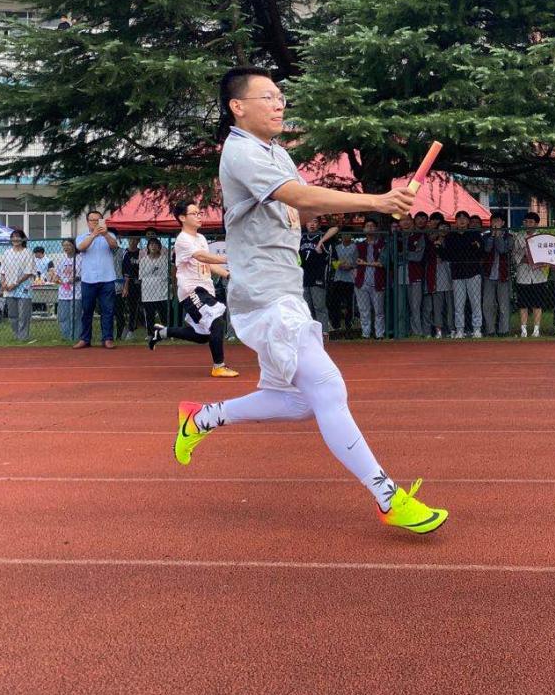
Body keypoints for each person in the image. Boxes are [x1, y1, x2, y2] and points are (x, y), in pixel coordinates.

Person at [172, 67, 445, 534]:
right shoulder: (240, 152)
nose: (279, 104)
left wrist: (374, 204)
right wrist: (379, 202)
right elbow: (295, 194)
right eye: (267, 97)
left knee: (297, 401)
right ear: (238, 108)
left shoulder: (274, 152)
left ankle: (203, 417)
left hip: (282, 293)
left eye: (281, 97)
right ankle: (387, 496)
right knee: (328, 387)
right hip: (263, 296)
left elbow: (305, 205)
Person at [150, 200, 238, 377]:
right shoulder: (183, 240)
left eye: (200, 213)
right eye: (194, 213)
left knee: (202, 335)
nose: (199, 216)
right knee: (217, 321)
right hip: (192, 290)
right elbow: (200, 255)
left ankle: (162, 332)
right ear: (182, 218)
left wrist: (228, 275)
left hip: (205, 290)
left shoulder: (201, 238)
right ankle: (218, 366)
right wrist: (231, 258)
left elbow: (207, 262)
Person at [75, 210, 118, 348]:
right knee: (87, 310)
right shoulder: (82, 237)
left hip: (107, 279)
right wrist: (93, 235)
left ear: (102, 221)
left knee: (108, 310)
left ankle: (107, 339)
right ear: (88, 222)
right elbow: (81, 247)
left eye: (97, 220)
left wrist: (104, 234)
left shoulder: (110, 235)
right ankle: (85, 339)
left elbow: (114, 246)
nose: (95, 222)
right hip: (88, 280)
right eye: (92, 220)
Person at [443, 209, 483, 338]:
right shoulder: (451, 236)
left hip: (473, 273)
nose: (461, 220)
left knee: (475, 303)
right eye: (459, 218)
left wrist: (473, 248)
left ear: (468, 221)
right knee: (458, 304)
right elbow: (448, 254)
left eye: (464, 218)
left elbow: (481, 252)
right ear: (456, 221)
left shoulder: (475, 234)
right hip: (457, 274)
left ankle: (477, 329)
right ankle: (459, 329)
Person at [512, 212, 549, 337]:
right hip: (523, 274)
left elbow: (546, 256)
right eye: (526, 221)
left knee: (537, 303)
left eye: (531, 222)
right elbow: (515, 255)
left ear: (537, 224)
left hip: (539, 275)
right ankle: (523, 330)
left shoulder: (542, 238)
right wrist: (525, 259)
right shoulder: (519, 236)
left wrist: (537, 260)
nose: (528, 224)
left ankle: (536, 330)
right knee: (523, 304)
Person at [0, 228, 37, 342]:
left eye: (18, 236)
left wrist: (16, 283)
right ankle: (16, 335)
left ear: (22, 239)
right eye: (13, 236)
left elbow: (29, 271)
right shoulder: (7, 253)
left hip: (23, 286)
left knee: (23, 314)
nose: (15, 239)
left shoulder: (28, 252)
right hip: (9, 288)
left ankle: (23, 336)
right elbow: (3, 270)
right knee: (12, 314)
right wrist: (3, 282)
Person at [300, 217, 338, 329]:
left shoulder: (323, 237)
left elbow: (335, 228)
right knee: (306, 307)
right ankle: (309, 330)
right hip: (303, 277)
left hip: (318, 277)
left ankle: (324, 331)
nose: (312, 224)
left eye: (315, 222)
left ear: (319, 225)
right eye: (309, 221)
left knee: (319, 305)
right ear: (305, 224)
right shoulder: (301, 237)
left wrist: (320, 242)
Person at [354, 215, 387, 339]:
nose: (370, 228)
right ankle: (365, 334)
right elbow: (354, 262)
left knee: (379, 311)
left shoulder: (383, 244)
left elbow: (382, 263)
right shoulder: (359, 245)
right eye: (367, 226)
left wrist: (364, 263)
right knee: (364, 310)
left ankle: (379, 334)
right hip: (362, 282)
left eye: (372, 226)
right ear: (364, 229)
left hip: (378, 281)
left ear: (377, 228)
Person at [482, 213, 512, 336]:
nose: (495, 223)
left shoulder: (509, 237)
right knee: (488, 304)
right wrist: (492, 236)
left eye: (498, 221)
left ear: (503, 223)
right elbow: (487, 249)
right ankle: (490, 330)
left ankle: (503, 330)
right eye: (493, 220)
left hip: (503, 275)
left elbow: (502, 250)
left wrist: (498, 236)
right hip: (489, 275)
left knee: (503, 304)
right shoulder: (486, 236)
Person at [425, 212, 452, 339]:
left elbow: (449, 255)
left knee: (451, 306)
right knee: (437, 306)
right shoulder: (431, 241)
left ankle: (452, 329)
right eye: (440, 228)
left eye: (445, 228)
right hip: (436, 276)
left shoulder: (452, 241)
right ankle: (438, 329)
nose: (443, 230)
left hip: (451, 277)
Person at [405, 211, 432, 337]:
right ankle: (414, 331)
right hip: (410, 274)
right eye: (418, 218)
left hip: (425, 273)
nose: (421, 221)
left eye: (423, 218)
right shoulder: (403, 236)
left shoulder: (424, 235)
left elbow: (418, 256)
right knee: (411, 306)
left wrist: (405, 255)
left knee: (424, 306)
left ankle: (423, 332)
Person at [137, 237, 171, 333]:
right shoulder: (143, 260)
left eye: (155, 244)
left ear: (159, 247)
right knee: (149, 315)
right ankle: (150, 333)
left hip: (162, 291)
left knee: (164, 315)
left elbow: (166, 274)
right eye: (151, 244)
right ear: (147, 247)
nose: (153, 246)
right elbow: (141, 276)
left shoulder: (164, 259)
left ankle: (166, 333)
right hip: (148, 292)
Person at [329, 228, 357, 335]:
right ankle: (336, 324)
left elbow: (357, 260)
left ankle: (349, 324)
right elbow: (333, 261)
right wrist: (339, 265)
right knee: (336, 302)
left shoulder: (355, 247)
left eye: (348, 234)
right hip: (339, 277)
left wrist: (350, 266)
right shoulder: (336, 247)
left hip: (350, 278)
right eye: (344, 234)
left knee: (350, 302)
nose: (346, 236)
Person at [54, 238, 81, 341]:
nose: (66, 247)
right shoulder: (61, 260)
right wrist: (57, 279)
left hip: (77, 292)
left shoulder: (80, 258)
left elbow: (82, 274)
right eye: (64, 245)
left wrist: (75, 279)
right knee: (63, 316)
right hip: (63, 293)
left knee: (75, 316)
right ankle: (66, 337)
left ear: (74, 246)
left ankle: (76, 336)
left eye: (68, 245)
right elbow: (57, 275)